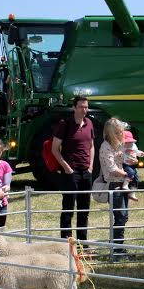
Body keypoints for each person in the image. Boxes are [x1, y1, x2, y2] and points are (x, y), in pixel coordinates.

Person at [52, 96, 94, 242]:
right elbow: (54, 149)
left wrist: (91, 166)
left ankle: (83, 242)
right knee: (68, 208)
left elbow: (92, 146)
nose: (84, 110)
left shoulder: (89, 123)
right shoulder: (65, 124)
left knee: (84, 209)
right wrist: (67, 168)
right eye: (81, 107)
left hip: (86, 171)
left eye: (86, 107)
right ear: (74, 108)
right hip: (70, 172)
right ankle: (66, 242)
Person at [99, 118, 130, 259]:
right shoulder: (106, 147)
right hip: (114, 185)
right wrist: (127, 174)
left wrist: (132, 160)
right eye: (117, 132)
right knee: (120, 216)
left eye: (121, 132)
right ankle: (116, 249)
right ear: (110, 133)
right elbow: (112, 169)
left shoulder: (118, 145)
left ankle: (118, 248)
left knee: (123, 217)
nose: (120, 134)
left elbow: (124, 159)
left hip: (121, 184)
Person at [121, 130, 144, 201]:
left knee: (136, 179)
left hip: (132, 165)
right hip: (125, 164)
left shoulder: (134, 146)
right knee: (130, 173)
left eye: (130, 142)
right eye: (126, 142)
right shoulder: (121, 147)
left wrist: (142, 154)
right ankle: (125, 185)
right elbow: (119, 154)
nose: (129, 144)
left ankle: (132, 193)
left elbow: (137, 152)